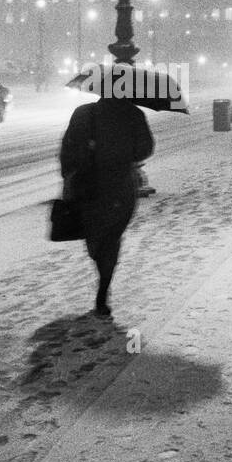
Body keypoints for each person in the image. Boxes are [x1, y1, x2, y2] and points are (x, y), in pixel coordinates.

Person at [59, 96, 154, 316]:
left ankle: (102, 270)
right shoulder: (134, 114)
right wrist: (125, 152)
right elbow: (145, 149)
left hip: (88, 188)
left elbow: (67, 149)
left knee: (95, 237)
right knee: (112, 237)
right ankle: (104, 286)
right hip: (120, 189)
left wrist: (69, 176)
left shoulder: (83, 113)